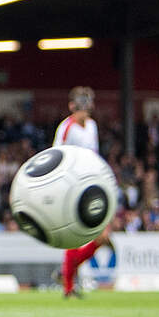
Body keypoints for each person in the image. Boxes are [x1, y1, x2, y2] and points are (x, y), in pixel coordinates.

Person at [55, 86, 111, 298]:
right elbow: (56, 155)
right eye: (82, 107)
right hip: (72, 186)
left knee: (103, 237)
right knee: (74, 236)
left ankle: (66, 273)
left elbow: (94, 155)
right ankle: (68, 287)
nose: (85, 111)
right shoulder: (66, 128)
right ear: (73, 107)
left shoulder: (92, 126)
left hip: (93, 184)